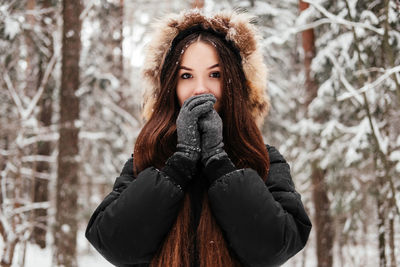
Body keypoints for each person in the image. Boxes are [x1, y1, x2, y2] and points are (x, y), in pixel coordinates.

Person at [85, 9, 312, 267]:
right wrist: (179, 163)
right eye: (186, 76)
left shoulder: (263, 158)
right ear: (170, 87)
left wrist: (219, 161)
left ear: (235, 85)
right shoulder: (149, 156)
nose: (200, 88)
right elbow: (113, 243)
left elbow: (276, 246)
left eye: (215, 74)